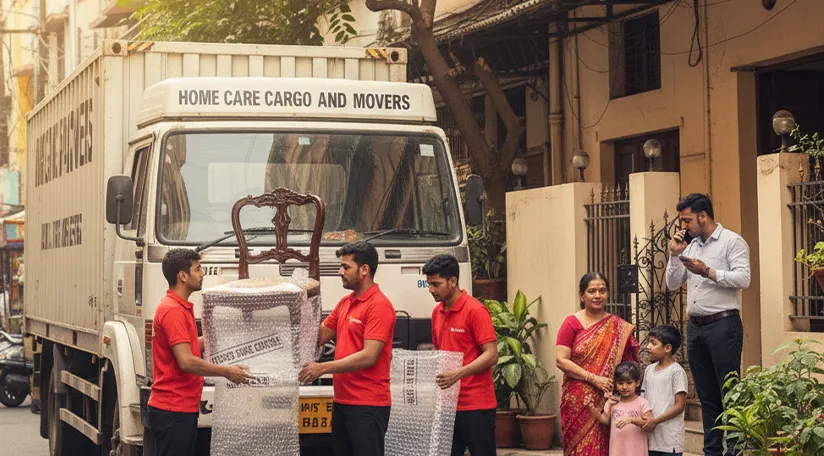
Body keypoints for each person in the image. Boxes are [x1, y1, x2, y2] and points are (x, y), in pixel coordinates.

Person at [145, 249, 253, 456]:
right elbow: (186, 361)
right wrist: (226, 371)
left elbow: (189, 346)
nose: (202, 273)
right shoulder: (173, 311)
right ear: (183, 276)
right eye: (198, 269)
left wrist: (230, 336)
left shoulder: (179, 307)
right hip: (173, 408)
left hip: (180, 407)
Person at [666, 193, 750, 456]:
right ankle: (712, 451)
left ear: (703, 216)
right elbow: (672, 284)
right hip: (696, 328)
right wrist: (674, 256)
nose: (684, 226)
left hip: (723, 325)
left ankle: (734, 450)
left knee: (729, 391)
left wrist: (706, 271)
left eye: (687, 220)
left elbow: (743, 278)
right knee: (706, 394)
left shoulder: (731, 241)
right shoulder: (690, 246)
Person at [298, 241, 396, 456]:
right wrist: (299, 304)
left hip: (368, 405)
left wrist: (322, 368)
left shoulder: (379, 306)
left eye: (346, 267)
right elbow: (319, 337)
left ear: (364, 270)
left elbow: (369, 356)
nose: (340, 272)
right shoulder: (346, 302)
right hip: (342, 401)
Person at [556, 272, 640, 456]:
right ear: (581, 295)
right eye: (592, 291)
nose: (598, 295)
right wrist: (594, 378)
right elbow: (561, 360)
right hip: (577, 400)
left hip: (607, 399)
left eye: (602, 290)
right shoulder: (571, 323)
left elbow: (629, 365)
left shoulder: (618, 326)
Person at [423, 254, 498, 456]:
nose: (431, 290)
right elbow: (440, 352)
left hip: (476, 405)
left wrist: (458, 374)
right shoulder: (437, 312)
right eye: (429, 284)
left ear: (453, 281)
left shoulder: (475, 311)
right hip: (447, 406)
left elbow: (491, 355)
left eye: (436, 284)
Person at [641, 325, 688, 456]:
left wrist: (656, 421)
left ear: (667, 348)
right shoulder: (649, 370)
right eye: (648, 342)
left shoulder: (676, 372)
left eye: (653, 343)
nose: (648, 347)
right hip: (650, 438)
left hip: (670, 441)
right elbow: (643, 397)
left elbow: (679, 406)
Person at [590, 361, 653, 456]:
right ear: (615, 384)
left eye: (629, 383)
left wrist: (631, 420)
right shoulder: (613, 402)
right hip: (617, 451)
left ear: (637, 383)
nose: (624, 387)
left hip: (636, 452)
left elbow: (650, 424)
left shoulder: (642, 403)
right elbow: (605, 420)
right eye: (620, 383)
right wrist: (592, 409)